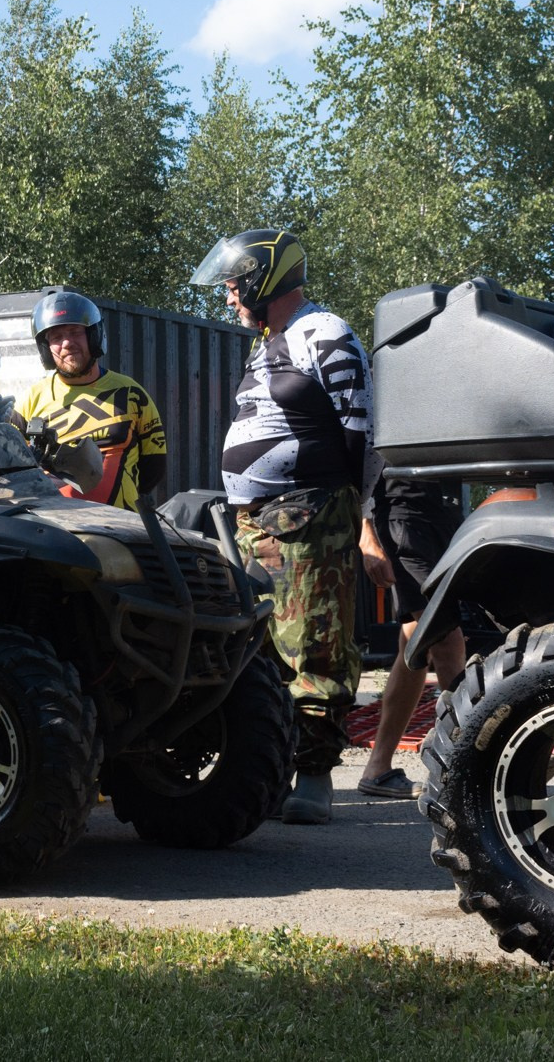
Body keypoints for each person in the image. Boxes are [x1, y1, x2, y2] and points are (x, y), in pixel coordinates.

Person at [191, 228, 372, 826]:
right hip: (256, 522)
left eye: (233, 284)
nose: (227, 297)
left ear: (264, 278)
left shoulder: (326, 334)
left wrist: (355, 518)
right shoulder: (271, 341)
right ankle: (272, 768)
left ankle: (316, 774)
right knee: (262, 648)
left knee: (314, 643)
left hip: (310, 515)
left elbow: (362, 436)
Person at [355, 473, 468, 799]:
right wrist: (367, 533)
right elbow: (359, 459)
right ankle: (471, 759)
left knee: (416, 644)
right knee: (446, 638)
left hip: (443, 516)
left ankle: (377, 768)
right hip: (402, 519)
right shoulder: (376, 418)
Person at [14, 289, 168, 511]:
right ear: (46, 348)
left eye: (75, 331)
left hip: (123, 529)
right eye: (56, 337)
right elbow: (10, 467)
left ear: (94, 336)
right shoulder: (31, 399)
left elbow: (154, 467)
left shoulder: (132, 394)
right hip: (57, 530)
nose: (67, 343)